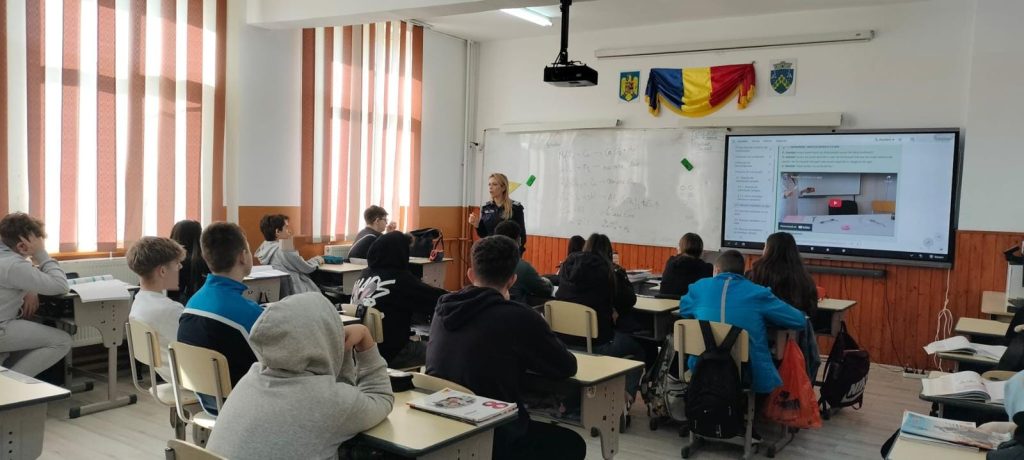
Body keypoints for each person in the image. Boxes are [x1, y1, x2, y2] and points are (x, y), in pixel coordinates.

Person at [427, 235, 584, 460]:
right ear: (512, 280)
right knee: (572, 444)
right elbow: (566, 366)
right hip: (493, 432)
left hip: (440, 426)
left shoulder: (443, 308)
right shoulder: (519, 316)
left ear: (470, 274)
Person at [206, 293, 393, 459]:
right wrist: (366, 341)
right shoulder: (327, 400)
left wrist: (341, 352)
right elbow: (382, 398)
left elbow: (341, 396)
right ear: (326, 336)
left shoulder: (252, 377)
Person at [679, 250, 806, 395]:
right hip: (747, 373)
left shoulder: (698, 288)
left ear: (716, 270)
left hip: (702, 367)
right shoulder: (758, 293)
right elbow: (799, 321)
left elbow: (684, 310)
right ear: (743, 272)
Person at [177, 222, 263, 413]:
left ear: (206, 257)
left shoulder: (193, 303)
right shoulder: (249, 314)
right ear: (243, 256)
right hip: (244, 407)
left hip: (209, 402)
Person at [556, 233, 645, 399]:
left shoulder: (567, 266)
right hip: (597, 343)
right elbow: (629, 299)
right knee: (640, 348)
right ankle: (626, 397)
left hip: (563, 341)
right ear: (609, 253)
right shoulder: (608, 271)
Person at [351, 231, 447, 369]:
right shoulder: (400, 279)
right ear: (400, 253)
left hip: (362, 352)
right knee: (445, 352)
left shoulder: (364, 274)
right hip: (392, 353)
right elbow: (437, 299)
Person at [0, 213, 72, 377]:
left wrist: (29, 289)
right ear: (22, 246)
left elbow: (16, 276)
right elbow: (61, 286)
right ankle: (11, 383)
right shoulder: (14, 265)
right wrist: (41, 254)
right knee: (62, 341)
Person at [126, 236, 186, 382]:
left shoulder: (138, 302)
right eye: (177, 263)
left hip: (168, 376)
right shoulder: (171, 310)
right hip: (188, 379)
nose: (180, 267)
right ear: (163, 271)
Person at [747, 232, 819, 316]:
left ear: (768, 250)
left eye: (765, 247)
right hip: (794, 322)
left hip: (760, 321)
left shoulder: (755, 274)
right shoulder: (804, 279)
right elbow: (811, 309)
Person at [254, 214, 324, 295]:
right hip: (297, 292)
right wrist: (318, 259)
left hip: (281, 294)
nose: (289, 231)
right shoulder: (285, 248)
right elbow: (307, 268)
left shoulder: (264, 248)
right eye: (286, 228)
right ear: (277, 232)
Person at [493, 221, 552, 304]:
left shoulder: (484, 263)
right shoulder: (522, 267)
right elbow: (545, 290)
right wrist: (547, 281)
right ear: (518, 240)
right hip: (514, 309)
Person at [468, 173, 526, 248]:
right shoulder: (486, 208)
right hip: (490, 250)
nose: (490, 187)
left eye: (494, 184)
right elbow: (483, 234)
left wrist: (517, 252)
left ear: (503, 188)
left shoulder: (516, 207)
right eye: (489, 184)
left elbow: (522, 235)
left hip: (508, 251)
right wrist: (476, 224)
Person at [659, 232, 713, 298]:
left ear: (681, 247)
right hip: (692, 304)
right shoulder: (707, 268)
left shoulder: (671, 262)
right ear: (701, 250)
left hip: (666, 302)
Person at [168, 220, 209, 305]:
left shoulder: (170, 263)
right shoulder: (207, 262)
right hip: (201, 307)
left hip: (176, 308)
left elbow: (170, 296)